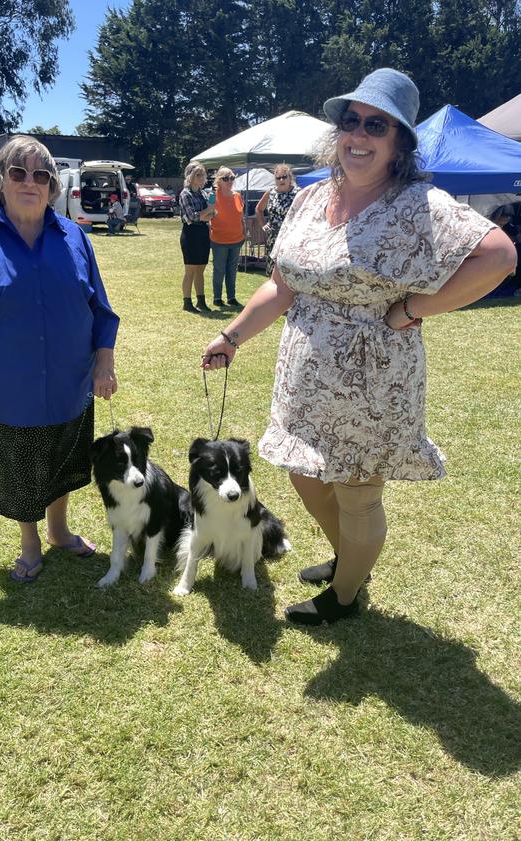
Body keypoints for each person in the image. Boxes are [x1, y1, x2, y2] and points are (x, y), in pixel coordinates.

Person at [201, 68, 516, 626]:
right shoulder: (311, 196)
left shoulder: (419, 204)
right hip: (303, 370)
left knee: (357, 489)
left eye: (377, 125)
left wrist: (414, 308)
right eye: (351, 122)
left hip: (372, 378)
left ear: (399, 143)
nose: (359, 135)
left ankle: (345, 596)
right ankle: (352, 560)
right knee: (304, 471)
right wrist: (231, 336)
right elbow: (282, 284)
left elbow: (498, 256)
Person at [0, 135, 119, 583]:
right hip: (7, 388)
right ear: (3, 180)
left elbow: (99, 308)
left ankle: (59, 531)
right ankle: (30, 542)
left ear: (51, 185)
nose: (29, 182)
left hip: (71, 381)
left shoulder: (74, 236)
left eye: (41, 175)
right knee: (23, 468)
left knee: (63, 457)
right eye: (18, 173)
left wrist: (104, 361)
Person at [179, 161, 216, 313]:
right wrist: (206, 212)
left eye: (203, 175)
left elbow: (211, 215)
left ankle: (201, 301)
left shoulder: (202, 193)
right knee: (190, 269)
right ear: (190, 176)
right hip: (190, 234)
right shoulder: (185, 194)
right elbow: (191, 217)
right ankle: (187, 303)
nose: (201, 178)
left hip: (202, 233)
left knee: (201, 268)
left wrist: (207, 214)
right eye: (198, 175)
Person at [209, 166, 245, 308]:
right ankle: (217, 298)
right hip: (219, 239)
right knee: (219, 270)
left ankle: (231, 297)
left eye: (232, 178)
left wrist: (244, 233)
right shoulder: (213, 195)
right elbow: (208, 214)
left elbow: (240, 217)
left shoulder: (237, 196)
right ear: (219, 180)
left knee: (232, 270)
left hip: (236, 239)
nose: (229, 181)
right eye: (225, 178)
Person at [254, 164, 299, 274]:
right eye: (278, 178)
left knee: (289, 272)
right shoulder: (270, 193)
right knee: (273, 272)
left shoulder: (298, 193)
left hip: (291, 239)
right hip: (273, 239)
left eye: (284, 177)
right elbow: (258, 209)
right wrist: (263, 225)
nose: (281, 180)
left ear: (290, 178)